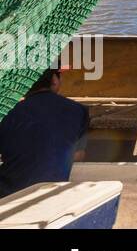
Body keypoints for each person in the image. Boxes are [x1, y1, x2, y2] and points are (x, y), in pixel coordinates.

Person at [0, 68, 90, 198]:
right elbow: (78, 155)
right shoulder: (79, 110)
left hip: (8, 194)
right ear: (54, 79)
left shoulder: (8, 111)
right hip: (52, 194)